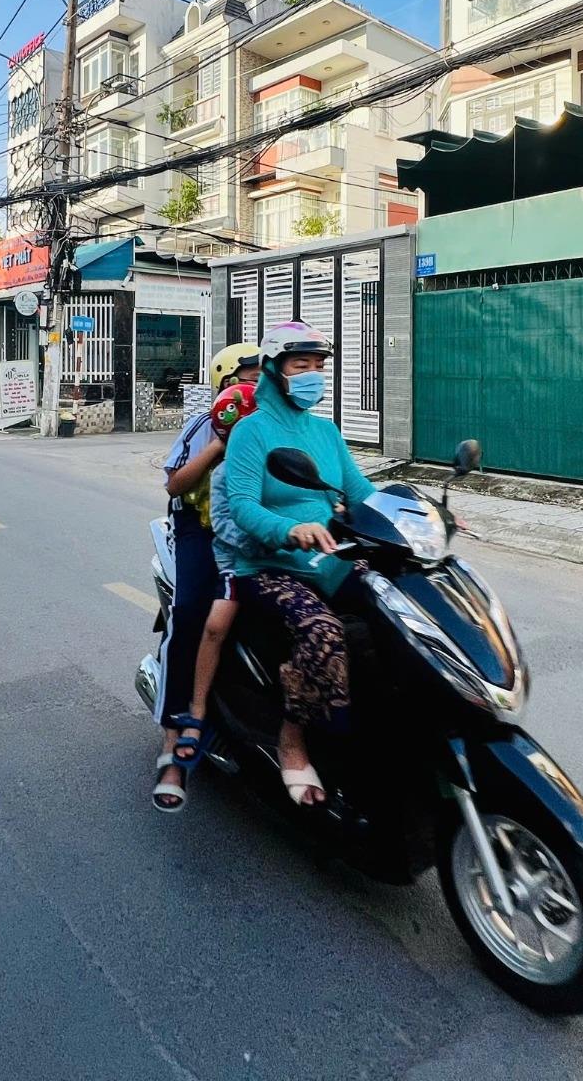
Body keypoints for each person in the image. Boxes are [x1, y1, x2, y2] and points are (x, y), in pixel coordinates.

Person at [221, 321, 375, 807]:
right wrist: (290, 529)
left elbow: (362, 493)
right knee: (323, 632)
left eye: (318, 366)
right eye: (300, 365)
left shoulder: (326, 432)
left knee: (400, 609)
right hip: (269, 567)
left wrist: (416, 515)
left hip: (331, 560)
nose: (312, 374)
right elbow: (242, 506)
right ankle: (292, 739)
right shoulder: (251, 431)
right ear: (274, 371)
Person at [151, 342, 262, 811]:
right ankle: (174, 740)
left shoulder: (273, 427)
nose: (258, 386)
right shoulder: (204, 426)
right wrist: (219, 443)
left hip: (253, 528)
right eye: (250, 378)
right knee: (193, 612)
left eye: (264, 378)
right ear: (227, 385)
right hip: (199, 528)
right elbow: (175, 483)